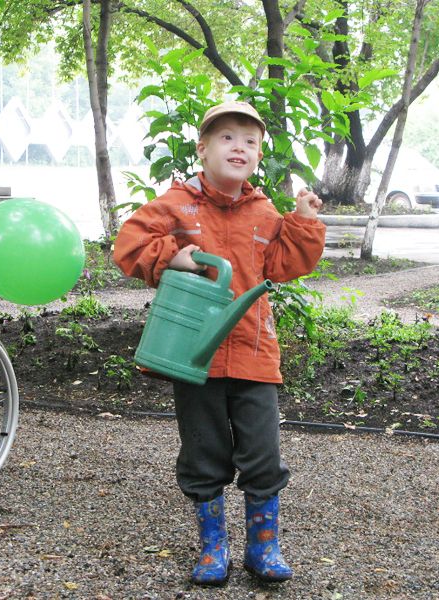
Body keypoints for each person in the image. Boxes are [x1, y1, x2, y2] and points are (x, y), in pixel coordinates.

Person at [114, 101, 325, 586]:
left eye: (250, 142)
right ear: (203, 148)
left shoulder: (264, 210)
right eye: (227, 137)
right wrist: (174, 255)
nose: (240, 148)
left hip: (254, 353)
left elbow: (284, 264)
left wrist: (303, 220)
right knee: (203, 452)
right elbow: (128, 245)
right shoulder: (177, 204)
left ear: (258, 155)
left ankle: (263, 547)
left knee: (263, 454)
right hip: (195, 357)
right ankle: (214, 548)